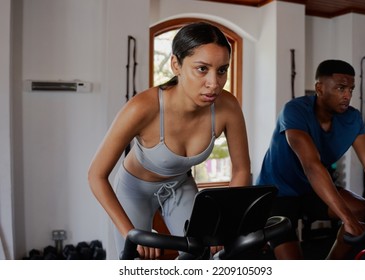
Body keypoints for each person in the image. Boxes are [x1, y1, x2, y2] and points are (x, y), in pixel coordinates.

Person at [88, 22, 251, 259]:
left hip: (180, 186)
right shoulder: (143, 108)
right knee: (134, 262)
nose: (214, 83)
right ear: (176, 65)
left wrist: (224, 224)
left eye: (222, 70)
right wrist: (130, 233)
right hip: (135, 190)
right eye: (202, 69)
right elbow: (96, 175)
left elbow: (242, 169)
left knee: (201, 254)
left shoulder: (228, 106)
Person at [256, 59, 365, 259]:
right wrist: (348, 220)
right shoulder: (294, 110)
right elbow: (311, 165)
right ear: (319, 88)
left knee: (362, 209)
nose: (347, 95)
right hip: (278, 193)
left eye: (351, 89)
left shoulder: (352, 118)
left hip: (312, 190)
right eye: (340, 88)